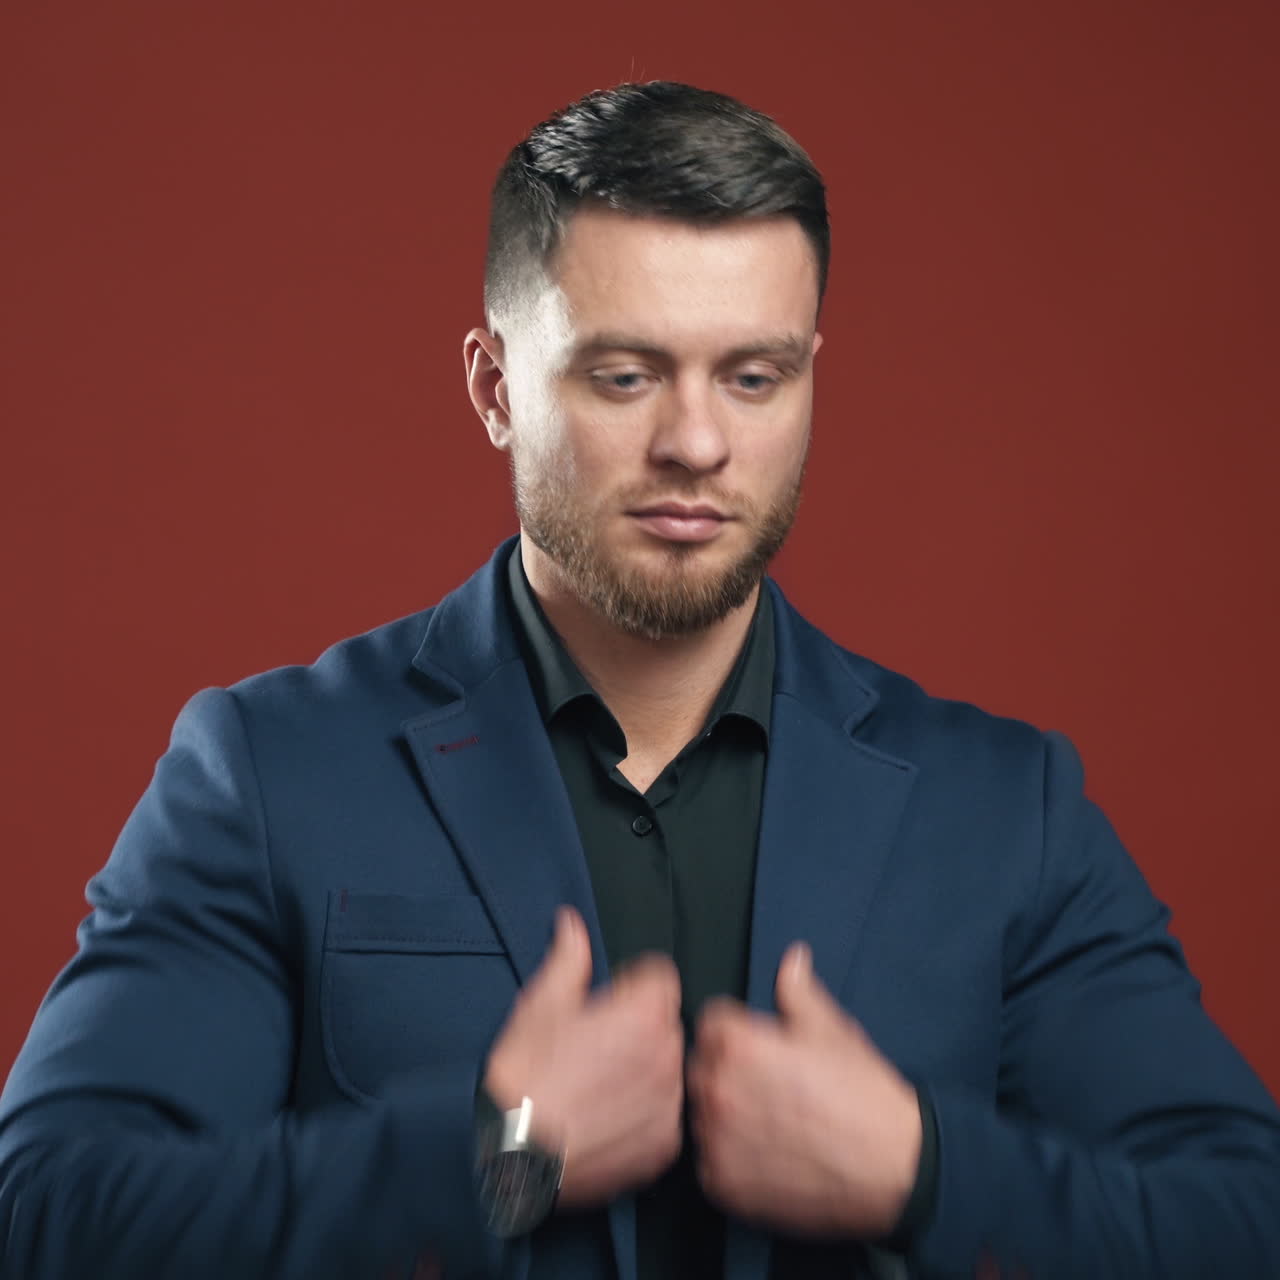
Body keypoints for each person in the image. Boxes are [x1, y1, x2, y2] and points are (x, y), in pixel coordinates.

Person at [1, 80, 1278, 1280]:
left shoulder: (1004, 807)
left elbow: (1243, 1214)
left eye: (753, 377)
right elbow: (46, 1209)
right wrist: (499, 1157)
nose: (696, 441)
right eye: (624, 375)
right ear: (494, 386)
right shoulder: (269, 771)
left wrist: (918, 1173)